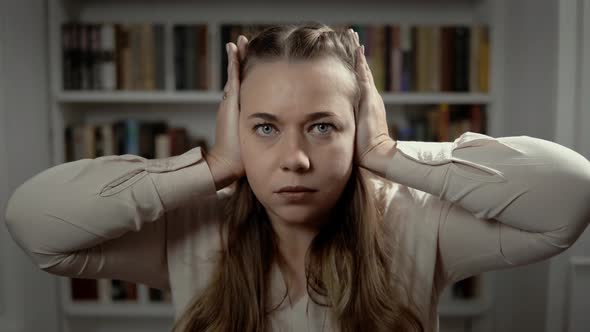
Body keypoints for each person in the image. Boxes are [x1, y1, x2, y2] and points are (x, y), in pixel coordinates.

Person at [4, 22, 590, 332]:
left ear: (355, 128)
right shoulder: (189, 234)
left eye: (321, 127)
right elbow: (33, 222)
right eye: (263, 128)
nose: (296, 160)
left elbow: (567, 196)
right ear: (235, 128)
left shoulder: (416, 223)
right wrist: (215, 166)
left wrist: (388, 154)